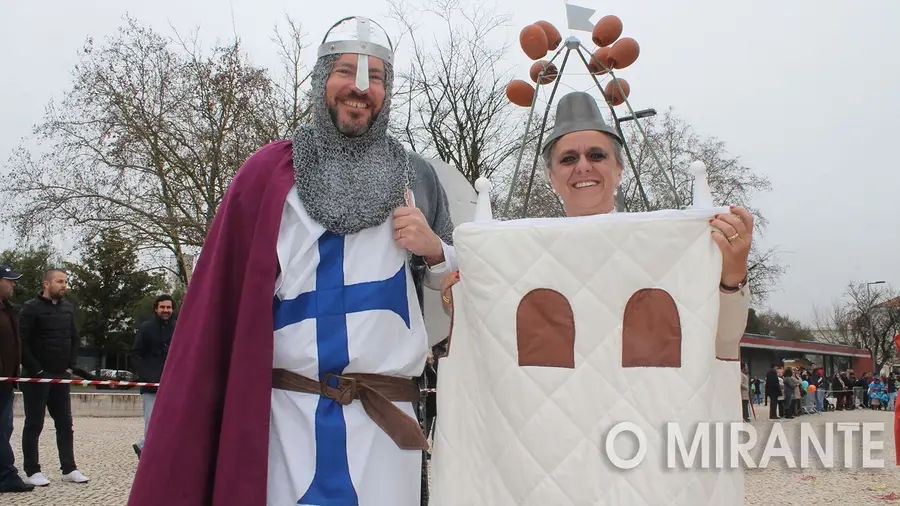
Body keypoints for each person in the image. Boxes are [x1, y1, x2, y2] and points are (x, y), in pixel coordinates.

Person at [128, 15, 457, 506]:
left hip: (386, 427)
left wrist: (436, 251)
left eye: (377, 78)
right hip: (289, 417)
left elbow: (458, 294)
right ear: (321, 79)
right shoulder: (267, 174)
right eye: (346, 71)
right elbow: (219, 306)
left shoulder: (419, 177)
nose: (360, 88)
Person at [440, 91, 752, 360]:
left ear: (619, 169)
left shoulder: (667, 250)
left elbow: (722, 337)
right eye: (568, 159)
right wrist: (459, 298)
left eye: (596, 155)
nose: (583, 166)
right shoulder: (520, 257)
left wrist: (732, 272)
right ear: (552, 177)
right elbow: (496, 341)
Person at [18, 269, 89, 486]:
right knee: (34, 423)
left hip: (61, 375)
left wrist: (71, 365)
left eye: (66, 281)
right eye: (60, 281)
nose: (64, 285)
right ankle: (32, 470)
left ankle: (69, 468)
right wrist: (36, 370)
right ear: (47, 284)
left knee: (65, 423)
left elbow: (74, 337)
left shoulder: (68, 308)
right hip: (36, 377)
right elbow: (21, 341)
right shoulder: (30, 308)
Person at [0, 265, 34, 494]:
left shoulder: (7, 309)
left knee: (6, 427)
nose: (13, 284)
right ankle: (8, 475)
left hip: (6, 381)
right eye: (9, 280)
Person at [129, 294, 176, 458]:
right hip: (150, 385)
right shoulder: (145, 328)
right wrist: (147, 376)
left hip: (172, 384)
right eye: (162, 307)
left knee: (171, 422)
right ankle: (150, 456)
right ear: (156, 308)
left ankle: (143, 447)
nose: (166, 310)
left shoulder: (178, 328)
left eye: (169, 307)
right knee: (151, 423)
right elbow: (135, 354)